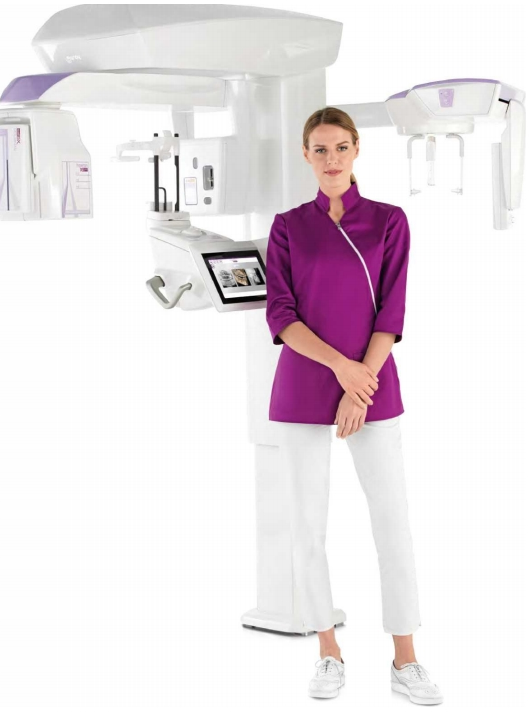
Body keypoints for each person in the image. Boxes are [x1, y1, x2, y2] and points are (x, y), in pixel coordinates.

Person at [265, 107, 443, 705]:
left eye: (340, 147)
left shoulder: (389, 221)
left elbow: (391, 310)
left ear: (357, 148)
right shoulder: (288, 226)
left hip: (372, 381)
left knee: (392, 519)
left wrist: (359, 381)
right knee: (306, 523)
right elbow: (281, 314)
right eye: (320, 149)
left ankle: (405, 658)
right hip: (306, 382)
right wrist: (342, 370)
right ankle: (328, 650)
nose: (331, 159)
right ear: (305, 154)